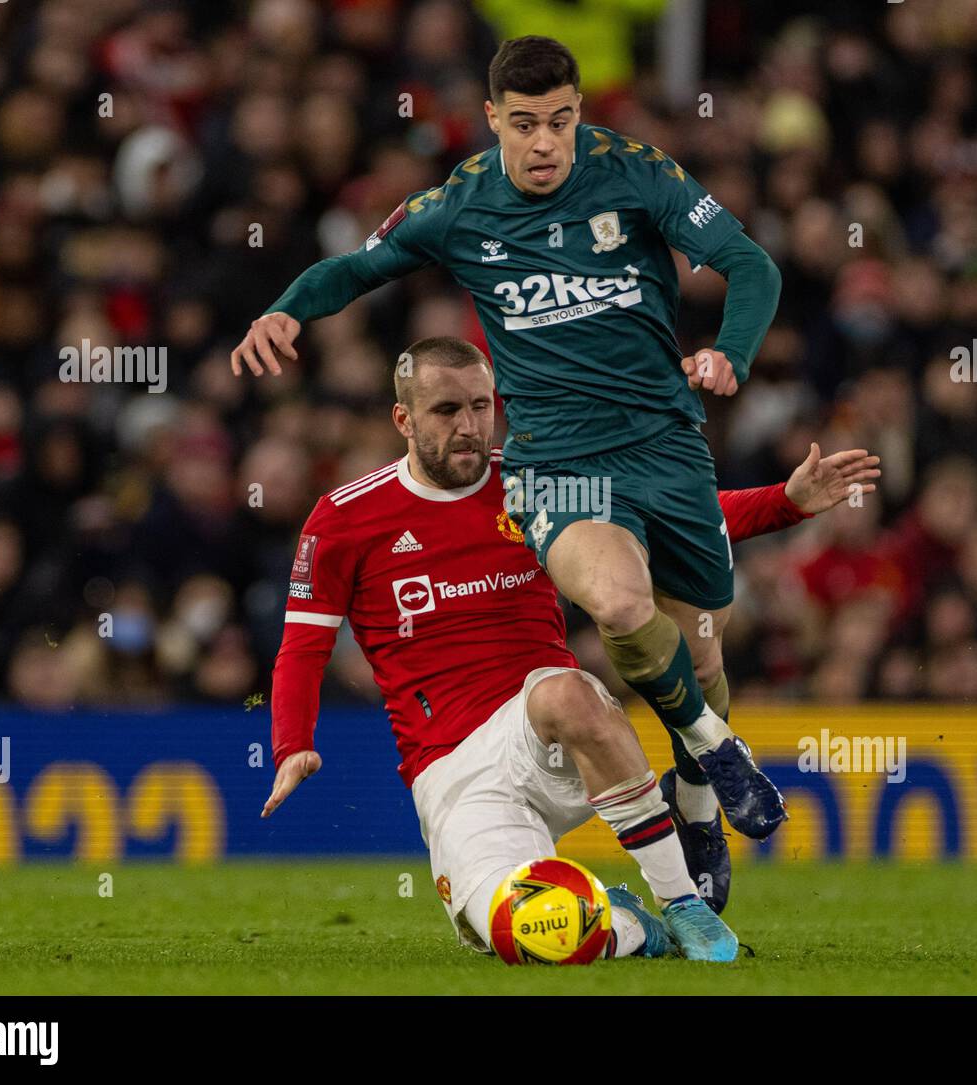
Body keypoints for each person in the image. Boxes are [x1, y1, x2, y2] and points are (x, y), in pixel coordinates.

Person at [233, 35, 813, 867]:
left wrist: (732, 353)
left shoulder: (639, 172)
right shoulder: (458, 206)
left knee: (702, 650)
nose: (546, 143)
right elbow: (359, 268)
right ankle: (717, 750)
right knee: (617, 605)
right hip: (555, 461)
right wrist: (288, 308)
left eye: (563, 122)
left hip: (666, 444)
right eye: (528, 124)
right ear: (493, 119)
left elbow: (750, 264)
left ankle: (696, 800)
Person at [260, 337, 880, 961]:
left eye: (481, 405)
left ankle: (683, 903)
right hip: (451, 769)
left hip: (549, 728)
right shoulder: (345, 519)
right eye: (447, 410)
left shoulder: (535, 480)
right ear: (404, 419)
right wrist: (292, 743)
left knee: (568, 690)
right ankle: (633, 923)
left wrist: (785, 503)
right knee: (530, 936)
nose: (470, 425)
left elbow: (667, 518)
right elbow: (303, 648)